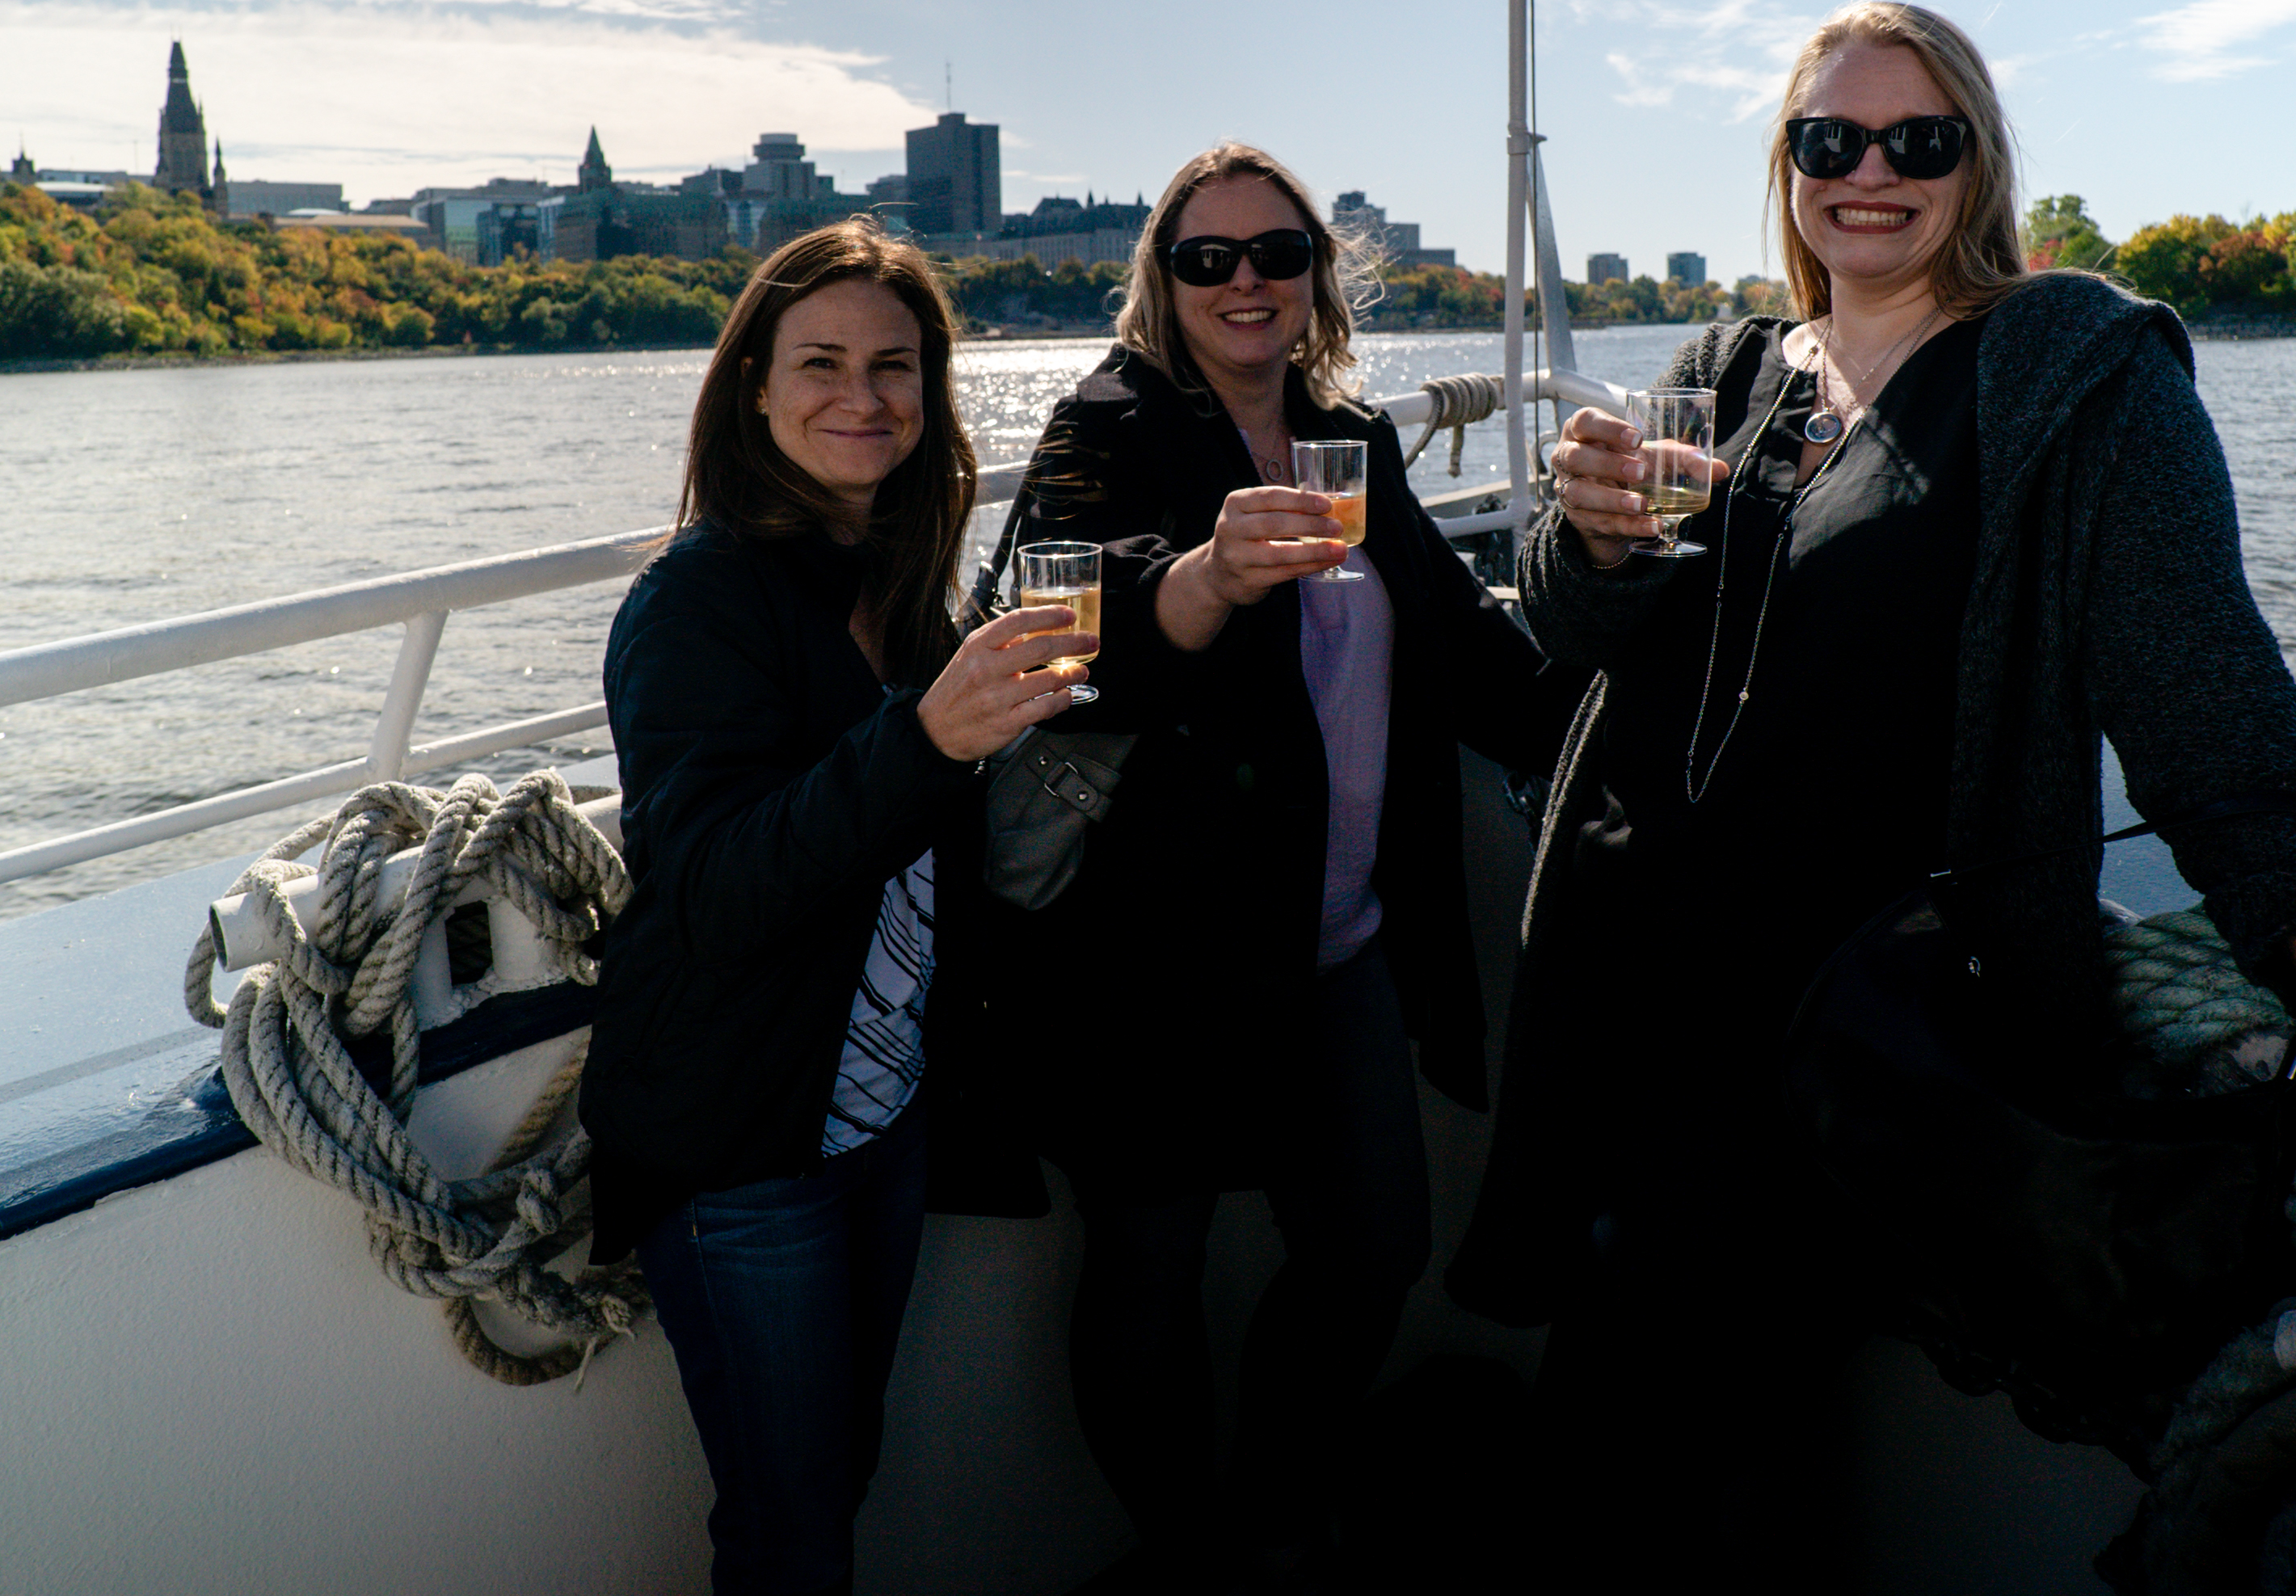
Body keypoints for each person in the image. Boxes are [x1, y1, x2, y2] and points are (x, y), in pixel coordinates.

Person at [1446, 0, 2296, 1574]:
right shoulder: (1731, 375)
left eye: (1915, 141)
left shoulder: (2066, 378)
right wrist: (1573, 541)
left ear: (1973, 165)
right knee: (1629, 1416)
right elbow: (1582, 644)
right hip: (1623, 996)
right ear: (1782, 167)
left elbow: (2207, 693)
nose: (1868, 172)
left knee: (1667, 1445)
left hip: (1844, 1035)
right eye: (1826, 139)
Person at [986, 142, 1568, 1588]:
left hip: (1338, 940)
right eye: (1208, 258)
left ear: (1318, 276)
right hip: (1153, 954)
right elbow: (1044, 635)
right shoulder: (1104, 420)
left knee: (1375, 1246)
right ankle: (1196, 1552)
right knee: (1149, 1266)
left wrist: (1620, 677)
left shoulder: (1347, 438)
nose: (1246, 282)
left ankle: (1271, 1507)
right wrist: (1198, 582)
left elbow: (1455, 639)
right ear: (1165, 284)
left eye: (1277, 254)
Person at [581, 221, 1086, 1596]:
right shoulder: (696, 603)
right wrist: (924, 741)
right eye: (820, 363)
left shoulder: (905, 584)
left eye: (895, 367)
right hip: (744, 1145)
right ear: (753, 384)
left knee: (839, 1473)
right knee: (789, 1529)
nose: (861, 398)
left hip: (878, 1117)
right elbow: (711, 885)